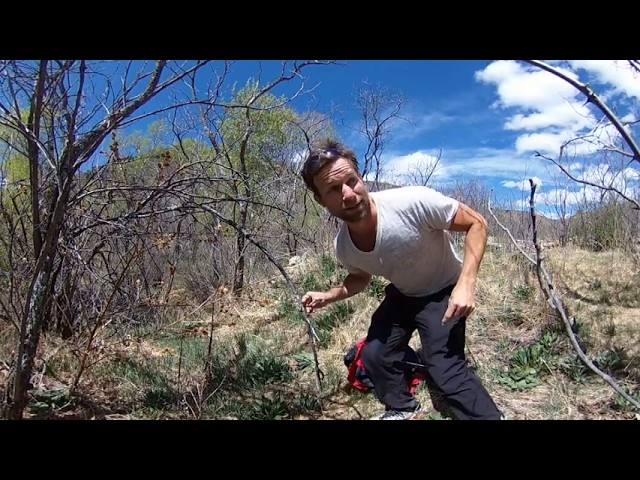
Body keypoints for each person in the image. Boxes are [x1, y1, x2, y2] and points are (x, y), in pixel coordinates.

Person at [300, 137, 503, 420]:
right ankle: (402, 408)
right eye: (333, 189)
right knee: (373, 355)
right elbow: (360, 277)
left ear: (361, 177)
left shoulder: (412, 202)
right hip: (403, 294)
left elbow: (476, 223)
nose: (348, 194)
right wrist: (329, 295)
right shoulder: (344, 246)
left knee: (445, 370)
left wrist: (466, 283)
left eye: (351, 181)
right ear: (321, 200)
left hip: (444, 291)